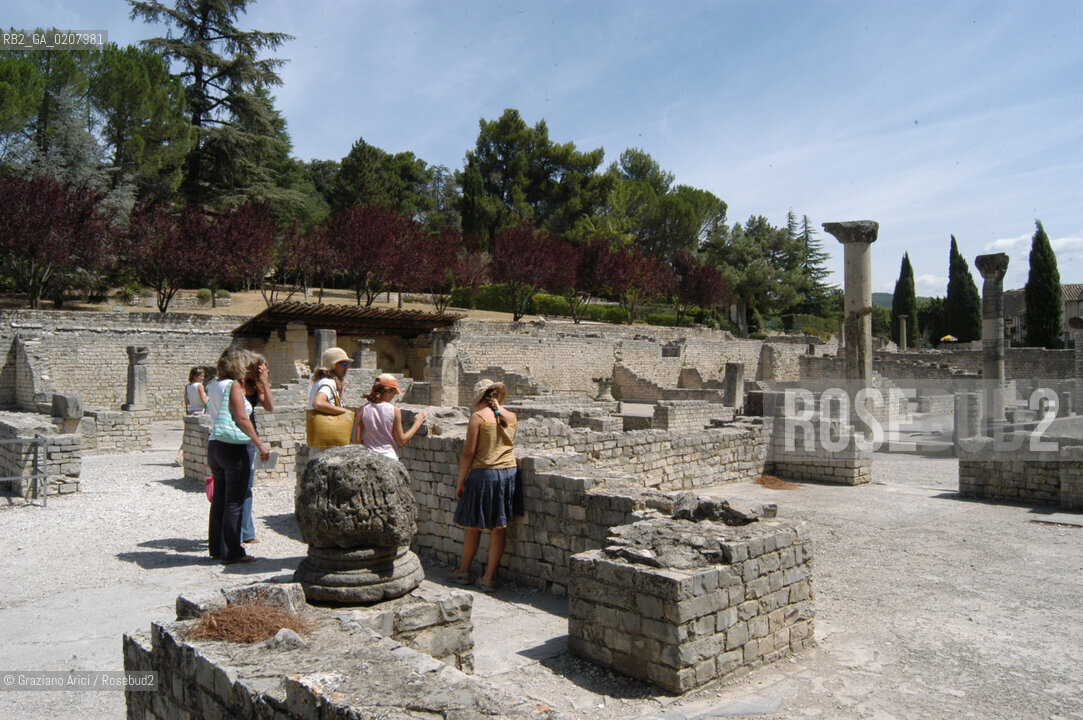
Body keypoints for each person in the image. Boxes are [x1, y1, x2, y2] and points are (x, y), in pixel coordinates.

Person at [449, 379, 521, 591]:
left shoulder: (478, 418)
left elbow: (468, 452)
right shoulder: (512, 417)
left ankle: (463, 572)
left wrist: (461, 481)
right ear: (497, 396)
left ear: (479, 398)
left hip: (484, 474)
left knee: (473, 526)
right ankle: (488, 578)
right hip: (508, 473)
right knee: (499, 528)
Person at [206, 348, 270, 564]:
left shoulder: (213, 385)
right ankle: (233, 551)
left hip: (215, 444)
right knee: (235, 500)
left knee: (219, 500)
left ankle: (216, 548)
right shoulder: (233, 385)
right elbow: (242, 418)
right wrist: (259, 444)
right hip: (232, 447)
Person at [352, 373, 427, 461]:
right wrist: (417, 423)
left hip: (369, 458)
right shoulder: (394, 410)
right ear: (388, 391)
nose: (394, 395)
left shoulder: (362, 410)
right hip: (389, 458)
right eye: (394, 392)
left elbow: (356, 442)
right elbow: (401, 441)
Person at [240, 355, 273, 544]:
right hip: (240, 438)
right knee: (241, 487)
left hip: (250, 439)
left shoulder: (254, 387)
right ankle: (239, 532)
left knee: (247, 487)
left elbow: (269, 406)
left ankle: (246, 532)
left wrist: (265, 383)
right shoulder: (237, 386)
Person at [307, 347, 354, 452]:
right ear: (333, 366)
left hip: (320, 445)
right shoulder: (328, 383)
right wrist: (346, 411)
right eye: (344, 364)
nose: (347, 367)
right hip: (327, 447)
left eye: (348, 364)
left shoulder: (321, 382)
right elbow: (318, 403)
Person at [175, 367, 209, 466]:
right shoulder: (199, 386)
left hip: (191, 411)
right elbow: (204, 401)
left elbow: (187, 402)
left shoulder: (187, 387)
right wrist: (209, 397)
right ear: (195, 376)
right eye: (201, 376)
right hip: (200, 411)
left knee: (187, 435)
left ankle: (180, 456)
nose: (203, 378)